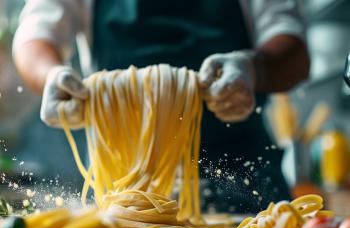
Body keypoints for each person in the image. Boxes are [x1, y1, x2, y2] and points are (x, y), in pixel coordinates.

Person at [12, 0, 310, 213]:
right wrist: (50, 74)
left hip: (246, 190)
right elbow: (34, 36)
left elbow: (295, 51)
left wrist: (253, 68)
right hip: (126, 198)